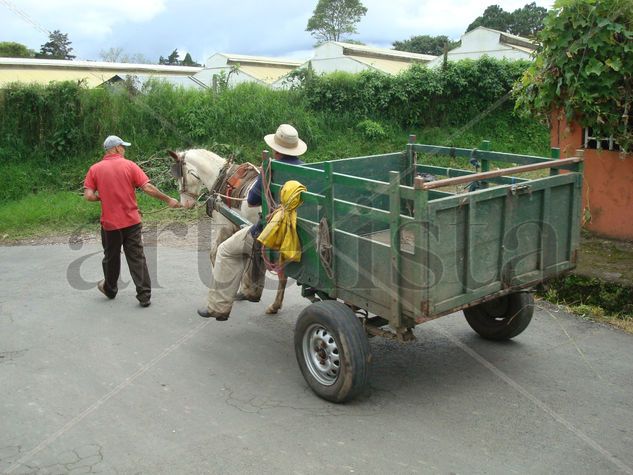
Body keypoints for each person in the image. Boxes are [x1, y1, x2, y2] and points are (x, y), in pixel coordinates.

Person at [197, 124, 306, 320]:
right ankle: (252, 290)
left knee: (226, 250)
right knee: (249, 241)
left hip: (272, 230)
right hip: (301, 230)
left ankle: (218, 307)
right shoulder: (308, 170)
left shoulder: (270, 168)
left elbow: (253, 200)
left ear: (275, 149)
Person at [84, 135, 180, 307]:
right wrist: (168, 200)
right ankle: (144, 296)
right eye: (123, 147)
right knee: (136, 257)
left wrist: (103, 197)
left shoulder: (95, 169)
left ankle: (110, 289)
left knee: (111, 257)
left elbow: (89, 196)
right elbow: (148, 188)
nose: (124, 150)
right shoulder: (129, 165)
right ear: (116, 148)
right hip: (132, 222)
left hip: (110, 224)